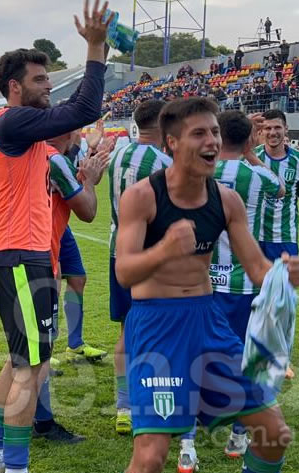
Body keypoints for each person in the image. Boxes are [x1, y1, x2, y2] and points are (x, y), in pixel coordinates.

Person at [116, 97, 299, 473]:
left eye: (215, 132)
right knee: (151, 456)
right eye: (199, 133)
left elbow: (256, 269)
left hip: (210, 324)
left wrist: (283, 274)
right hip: (158, 327)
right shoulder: (142, 196)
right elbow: (125, 271)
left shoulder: (227, 199)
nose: (212, 142)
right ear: (172, 143)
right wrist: (165, 250)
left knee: (274, 433)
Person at [0, 2, 110, 472]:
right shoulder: (12, 122)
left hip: (20, 256)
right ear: (14, 87)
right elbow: (86, 107)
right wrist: (94, 47)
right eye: (39, 80)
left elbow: (72, 130)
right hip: (20, 258)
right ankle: (13, 464)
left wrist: (87, 175)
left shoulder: (29, 137)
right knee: (30, 370)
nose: (48, 86)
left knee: (20, 365)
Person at [193, 111, 284, 468]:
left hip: (200, 281)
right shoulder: (258, 175)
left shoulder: (198, 172)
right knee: (247, 359)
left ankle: (187, 443)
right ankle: (239, 435)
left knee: (194, 357)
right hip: (241, 282)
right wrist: (251, 153)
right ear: (250, 140)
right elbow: (279, 188)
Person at [32, 130, 109, 444]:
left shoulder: (63, 155)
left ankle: (69, 345)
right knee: (31, 350)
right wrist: (90, 177)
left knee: (75, 281)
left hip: (56, 235)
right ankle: (39, 421)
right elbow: (88, 209)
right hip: (38, 245)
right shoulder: (51, 157)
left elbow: (82, 191)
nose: (80, 130)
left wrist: (92, 169)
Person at [106, 100, 171, 438]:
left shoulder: (116, 156)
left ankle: (124, 407)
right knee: (159, 332)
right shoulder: (164, 163)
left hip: (119, 252)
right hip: (151, 256)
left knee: (126, 331)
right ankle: (155, 405)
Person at [257, 109, 299, 262]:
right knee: (255, 286)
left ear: (286, 129)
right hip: (254, 236)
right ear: (261, 131)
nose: (273, 132)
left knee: (284, 286)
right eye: (268, 128)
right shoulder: (251, 159)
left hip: (286, 237)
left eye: (277, 127)